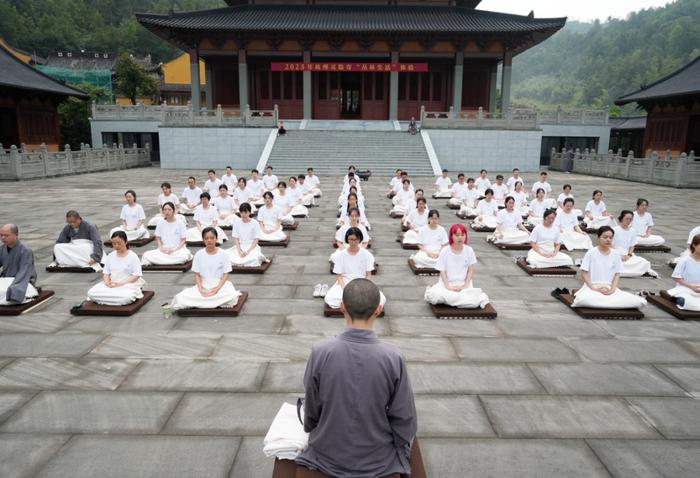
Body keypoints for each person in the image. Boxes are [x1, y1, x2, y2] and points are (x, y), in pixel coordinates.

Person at [296, 279, 416, 478]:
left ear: (342, 307)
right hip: (378, 459)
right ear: (378, 310)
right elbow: (404, 418)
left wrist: (312, 428)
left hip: (328, 454)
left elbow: (312, 411)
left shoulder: (320, 352)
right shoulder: (393, 357)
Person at [572, 226, 647, 309]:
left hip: (609, 287)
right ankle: (608, 302)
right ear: (598, 238)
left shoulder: (615, 254)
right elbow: (584, 273)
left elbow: (617, 274)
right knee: (585, 299)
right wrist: (593, 288)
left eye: (610, 238)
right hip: (592, 287)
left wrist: (612, 289)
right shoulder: (591, 252)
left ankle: (607, 301)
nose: (608, 240)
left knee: (637, 302)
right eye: (605, 237)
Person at [171, 227, 241, 309]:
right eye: (206, 238)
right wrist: (200, 289)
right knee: (181, 297)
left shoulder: (223, 254)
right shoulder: (199, 254)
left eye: (212, 238)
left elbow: (226, 274)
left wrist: (217, 289)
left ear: (216, 239)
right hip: (203, 285)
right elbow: (197, 274)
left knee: (231, 296)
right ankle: (209, 301)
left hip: (219, 285)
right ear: (203, 240)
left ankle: (205, 301)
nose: (209, 240)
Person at [425, 224, 490, 308]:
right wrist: (448, 287)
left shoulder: (469, 250)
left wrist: (465, 286)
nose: (460, 237)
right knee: (435, 296)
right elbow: (442, 271)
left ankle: (453, 300)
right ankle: (457, 300)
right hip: (446, 284)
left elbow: (471, 270)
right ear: (452, 236)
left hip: (463, 284)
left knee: (474, 301)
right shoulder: (445, 250)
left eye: (462, 235)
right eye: (457, 235)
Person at [325, 227, 385, 310]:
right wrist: (345, 289)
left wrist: (363, 287)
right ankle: (358, 304)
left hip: (362, 282)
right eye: (351, 239)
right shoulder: (340, 255)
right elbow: (339, 276)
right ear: (347, 239)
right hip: (345, 282)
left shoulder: (367, 255)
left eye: (356, 239)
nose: (353, 242)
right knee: (330, 298)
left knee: (380, 299)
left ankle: (351, 303)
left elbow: (368, 275)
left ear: (360, 239)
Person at [87, 230, 145, 306]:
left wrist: (120, 284)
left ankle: (106, 300)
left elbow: (136, 275)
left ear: (126, 242)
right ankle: (113, 300)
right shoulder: (110, 256)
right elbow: (106, 273)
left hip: (127, 284)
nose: (116, 246)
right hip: (112, 283)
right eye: (114, 244)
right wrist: (107, 283)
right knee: (91, 293)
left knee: (126, 297)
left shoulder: (133, 256)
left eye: (119, 243)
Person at [0, 224, 38, 305]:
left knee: (10, 290)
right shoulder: (2, 249)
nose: (3, 238)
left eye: (6, 235)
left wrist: (15, 286)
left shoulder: (25, 250)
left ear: (16, 235)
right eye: (1, 235)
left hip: (24, 282)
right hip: (7, 280)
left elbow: (24, 272)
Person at [612, 210, 654, 277]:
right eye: (627, 219)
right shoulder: (614, 230)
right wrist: (619, 256)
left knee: (643, 262)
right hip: (615, 254)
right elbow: (611, 245)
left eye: (630, 219)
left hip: (627, 254)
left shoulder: (633, 231)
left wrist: (629, 255)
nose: (628, 221)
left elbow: (632, 246)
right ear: (622, 218)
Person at [226, 203, 268, 267]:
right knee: (226, 255)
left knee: (254, 258)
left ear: (249, 212)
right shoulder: (236, 223)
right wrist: (239, 251)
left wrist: (248, 251)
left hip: (252, 247)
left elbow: (256, 239)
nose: (243, 214)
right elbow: (236, 239)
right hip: (240, 246)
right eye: (241, 212)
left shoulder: (255, 223)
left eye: (245, 212)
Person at [668, 234, 700, 311]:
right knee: (684, 301)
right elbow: (676, 277)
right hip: (686, 289)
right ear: (694, 245)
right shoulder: (684, 260)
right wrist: (692, 287)